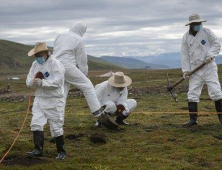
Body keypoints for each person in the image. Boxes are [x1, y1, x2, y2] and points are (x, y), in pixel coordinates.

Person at [53, 22, 103, 118]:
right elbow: (82, 59)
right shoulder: (78, 39)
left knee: (61, 94)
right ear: (82, 30)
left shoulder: (60, 36)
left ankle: (57, 119)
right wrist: (84, 74)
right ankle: (97, 111)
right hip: (67, 66)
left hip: (55, 66)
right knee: (87, 85)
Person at [26, 42, 66, 159]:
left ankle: (61, 151)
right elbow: (29, 79)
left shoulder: (55, 64)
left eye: (39, 54)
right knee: (36, 123)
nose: (38, 57)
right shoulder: (35, 64)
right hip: (39, 99)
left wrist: (43, 83)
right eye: (36, 55)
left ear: (46, 53)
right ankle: (38, 150)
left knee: (56, 125)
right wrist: (32, 82)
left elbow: (58, 82)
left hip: (54, 100)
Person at [181, 13, 222, 127]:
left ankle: (221, 117)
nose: (198, 25)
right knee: (192, 94)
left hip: (209, 67)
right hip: (195, 70)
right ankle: (193, 120)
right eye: (196, 24)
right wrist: (186, 70)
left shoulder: (207, 33)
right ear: (191, 25)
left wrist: (210, 55)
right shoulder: (185, 37)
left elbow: (216, 45)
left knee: (216, 91)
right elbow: (185, 55)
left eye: (199, 23)